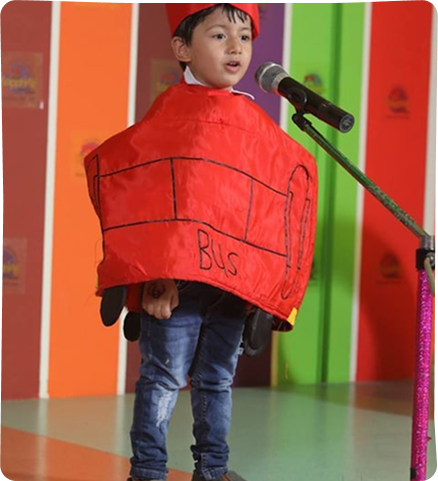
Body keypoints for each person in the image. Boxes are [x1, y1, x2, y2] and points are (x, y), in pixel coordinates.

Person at [84, 3, 317, 481]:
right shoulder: (169, 118)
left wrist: (261, 289)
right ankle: (148, 471)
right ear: (183, 48)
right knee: (163, 377)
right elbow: (143, 194)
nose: (236, 47)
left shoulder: (252, 122)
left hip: (230, 285)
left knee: (216, 380)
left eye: (244, 37)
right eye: (218, 35)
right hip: (176, 284)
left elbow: (270, 203)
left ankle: (213, 469)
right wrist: (155, 274)